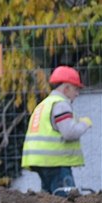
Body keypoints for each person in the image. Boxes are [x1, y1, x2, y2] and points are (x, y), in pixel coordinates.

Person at [21, 65, 92, 195]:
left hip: (41, 162)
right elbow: (69, 133)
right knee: (66, 201)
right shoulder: (61, 104)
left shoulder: (44, 104)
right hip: (56, 162)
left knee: (50, 202)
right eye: (75, 89)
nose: (77, 93)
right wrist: (84, 124)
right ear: (66, 88)